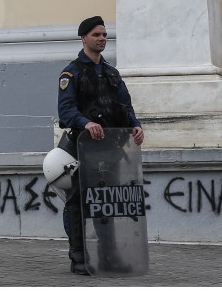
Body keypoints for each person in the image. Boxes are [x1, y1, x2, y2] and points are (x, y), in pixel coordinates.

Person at [56, 16, 144, 275]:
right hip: (80, 148)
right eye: (97, 35)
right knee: (77, 203)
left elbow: (125, 106)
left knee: (106, 202)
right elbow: (66, 112)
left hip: (109, 149)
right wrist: (86, 123)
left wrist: (136, 125)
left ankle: (109, 257)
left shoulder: (111, 73)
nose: (102, 39)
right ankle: (79, 257)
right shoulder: (71, 73)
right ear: (83, 37)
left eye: (105, 35)